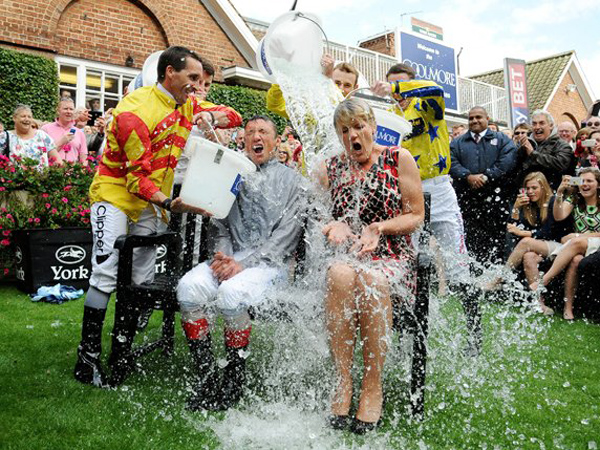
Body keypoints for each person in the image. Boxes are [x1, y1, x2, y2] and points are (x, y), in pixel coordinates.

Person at [73, 46, 216, 387]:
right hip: (117, 195)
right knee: (106, 273)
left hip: (153, 204)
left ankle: (120, 352)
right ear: (170, 73)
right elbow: (137, 179)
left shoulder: (187, 103)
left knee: (141, 279)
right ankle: (86, 358)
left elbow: (227, 114)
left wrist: (214, 117)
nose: (198, 86)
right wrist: (170, 204)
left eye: (202, 80)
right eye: (193, 78)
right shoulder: (134, 111)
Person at [176, 115, 304, 412]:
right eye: (250, 132)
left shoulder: (293, 181)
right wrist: (223, 257)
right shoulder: (232, 175)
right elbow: (220, 226)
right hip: (229, 258)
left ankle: (233, 382)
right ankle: (207, 379)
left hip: (270, 266)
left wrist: (244, 265)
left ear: (276, 141)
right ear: (244, 141)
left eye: (263, 132)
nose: (256, 137)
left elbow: (287, 235)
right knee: (188, 288)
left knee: (231, 294)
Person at [318, 98, 423, 433]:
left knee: (372, 279)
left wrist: (380, 227)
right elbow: (317, 211)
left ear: (373, 127)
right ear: (339, 135)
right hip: (351, 254)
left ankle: (372, 384)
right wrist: (333, 225)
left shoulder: (397, 158)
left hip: (392, 255)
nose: (353, 135)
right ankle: (343, 381)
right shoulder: (332, 167)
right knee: (339, 273)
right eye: (345, 130)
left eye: (359, 126)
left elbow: (415, 215)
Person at [371, 63, 483, 356]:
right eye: (391, 85)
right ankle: (405, 338)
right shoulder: (391, 118)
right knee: (404, 266)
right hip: (407, 192)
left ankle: (474, 333)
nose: (396, 92)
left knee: (457, 265)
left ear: (411, 83)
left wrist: (395, 86)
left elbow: (435, 89)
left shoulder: (430, 104)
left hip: (439, 189)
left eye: (401, 85)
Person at [486, 172, 566, 314]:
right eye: (528, 188)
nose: (530, 192)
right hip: (542, 247)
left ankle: (499, 279)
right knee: (528, 257)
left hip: (561, 246)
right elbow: (512, 230)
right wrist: (516, 208)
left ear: (543, 187)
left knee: (526, 242)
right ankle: (539, 303)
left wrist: (523, 234)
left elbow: (549, 232)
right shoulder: (529, 205)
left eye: (534, 188)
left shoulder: (553, 201)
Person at [450, 106, 517, 264]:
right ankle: (473, 276)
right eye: (471, 118)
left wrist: (487, 176)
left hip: (495, 201)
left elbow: (507, 160)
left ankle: (497, 279)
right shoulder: (458, 142)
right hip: (468, 201)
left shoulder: (502, 140)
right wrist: (468, 176)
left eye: (478, 117)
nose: (474, 121)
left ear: (487, 118)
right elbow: (451, 162)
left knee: (497, 241)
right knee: (470, 241)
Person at [530, 168, 600, 320]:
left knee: (574, 242)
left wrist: (578, 236)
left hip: (595, 243)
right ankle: (568, 309)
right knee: (575, 260)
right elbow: (558, 216)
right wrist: (560, 193)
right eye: (582, 181)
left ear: (598, 184)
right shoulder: (575, 199)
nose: (585, 184)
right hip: (578, 246)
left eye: (589, 181)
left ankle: (544, 280)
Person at [266, 56, 359, 120]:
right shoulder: (313, 108)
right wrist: (283, 73)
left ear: (355, 89)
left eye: (347, 85)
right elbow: (275, 105)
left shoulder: (357, 116)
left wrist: (327, 79)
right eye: (337, 83)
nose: (341, 89)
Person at [513, 110, 575, 191]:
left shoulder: (562, 145)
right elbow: (515, 167)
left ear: (551, 126)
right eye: (534, 124)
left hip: (550, 194)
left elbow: (560, 165)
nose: (537, 127)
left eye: (541, 123)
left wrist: (533, 154)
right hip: (526, 193)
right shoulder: (525, 143)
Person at [42, 97, 89, 166]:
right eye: (65, 109)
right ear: (58, 111)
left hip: (72, 175)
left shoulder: (80, 133)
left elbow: (84, 158)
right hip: (51, 173)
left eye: (71, 109)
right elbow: (41, 155)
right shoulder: (46, 129)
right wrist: (61, 142)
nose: (69, 112)